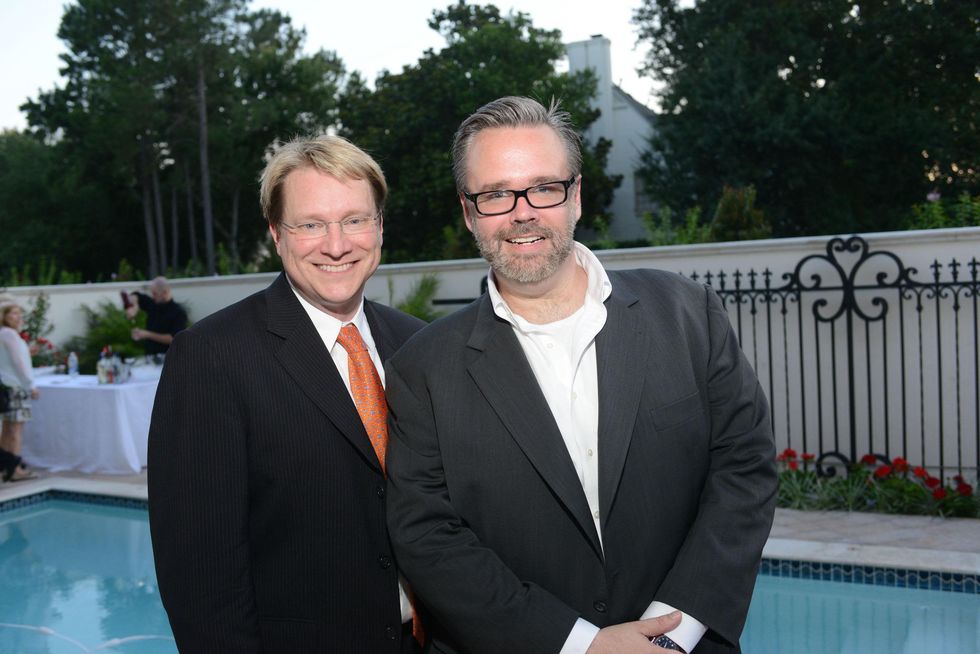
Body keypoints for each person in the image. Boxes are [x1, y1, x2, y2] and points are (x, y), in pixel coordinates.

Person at [384, 96, 777, 654]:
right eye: (495, 194)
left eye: (544, 187)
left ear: (576, 195)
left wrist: (671, 635)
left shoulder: (689, 315)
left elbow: (743, 471)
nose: (523, 212)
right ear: (469, 212)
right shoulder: (423, 369)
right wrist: (580, 645)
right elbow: (428, 538)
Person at [148, 134, 427, 653]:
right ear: (277, 234)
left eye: (354, 220)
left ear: (380, 227)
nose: (337, 244)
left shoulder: (416, 343)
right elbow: (200, 576)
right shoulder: (212, 358)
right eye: (311, 224)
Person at [0, 297, 39, 482]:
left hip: (8, 386)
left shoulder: (3, 334)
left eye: (18, 313)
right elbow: (18, 364)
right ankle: (15, 469)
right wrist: (30, 385)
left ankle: (4, 467)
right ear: (5, 316)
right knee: (16, 430)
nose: (18, 316)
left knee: (7, 429)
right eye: (13, 313)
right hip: (17, 388)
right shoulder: (9, 334)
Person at [125, 276, 188, 356]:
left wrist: (146, 334)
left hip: (168, 358)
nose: (153, 296)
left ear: (165, 292)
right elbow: (135, 295)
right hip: (150, 356)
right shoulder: (153, 304)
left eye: (155, 294)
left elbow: (173, 339)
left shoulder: (179, 312)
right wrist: (135, 306)